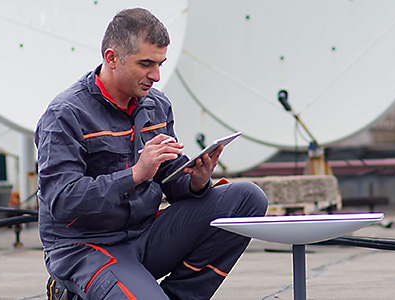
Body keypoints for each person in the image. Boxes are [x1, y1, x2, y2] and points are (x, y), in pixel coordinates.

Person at [35, 7, 268, 300]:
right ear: (112, 58)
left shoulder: (155, 105)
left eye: (160, 63)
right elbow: (62, 200)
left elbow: (170, 179)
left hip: (144, 235)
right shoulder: (65, 114)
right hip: (87, 247)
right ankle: (71, 291)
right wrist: (134, 175)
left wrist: (195, 181)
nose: (156, 75)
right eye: (146, 64)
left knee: (247, 198)